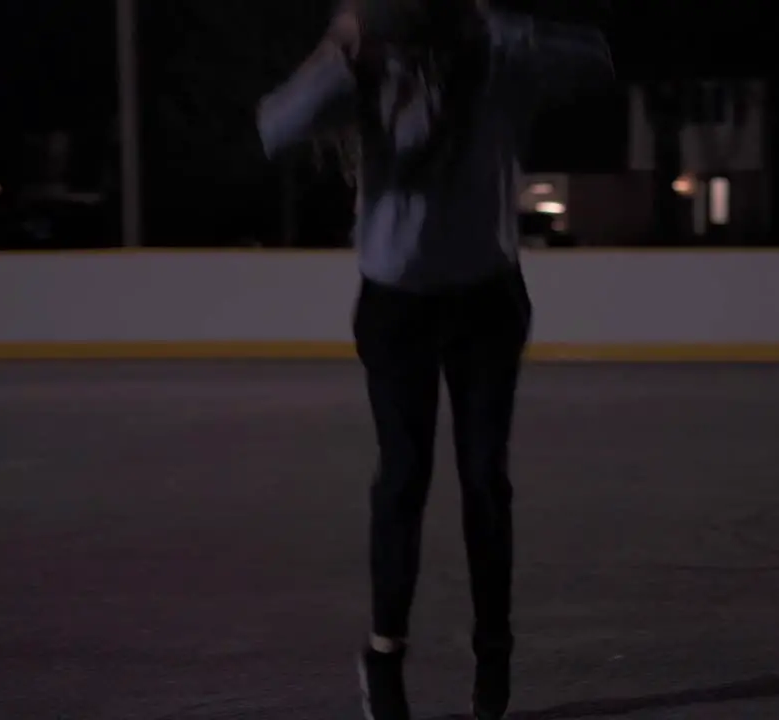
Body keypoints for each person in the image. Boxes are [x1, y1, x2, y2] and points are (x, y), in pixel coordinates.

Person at [256, 2, 613, 718]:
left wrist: (497, 23)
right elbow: (275, 128)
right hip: (397, 304)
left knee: (484, 479)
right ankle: (384, 653)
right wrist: (341, 48)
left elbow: (596, 60)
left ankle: (493, 651)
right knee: (405, 477)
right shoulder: (369, 70)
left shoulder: (495, 59)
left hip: (485, 297)